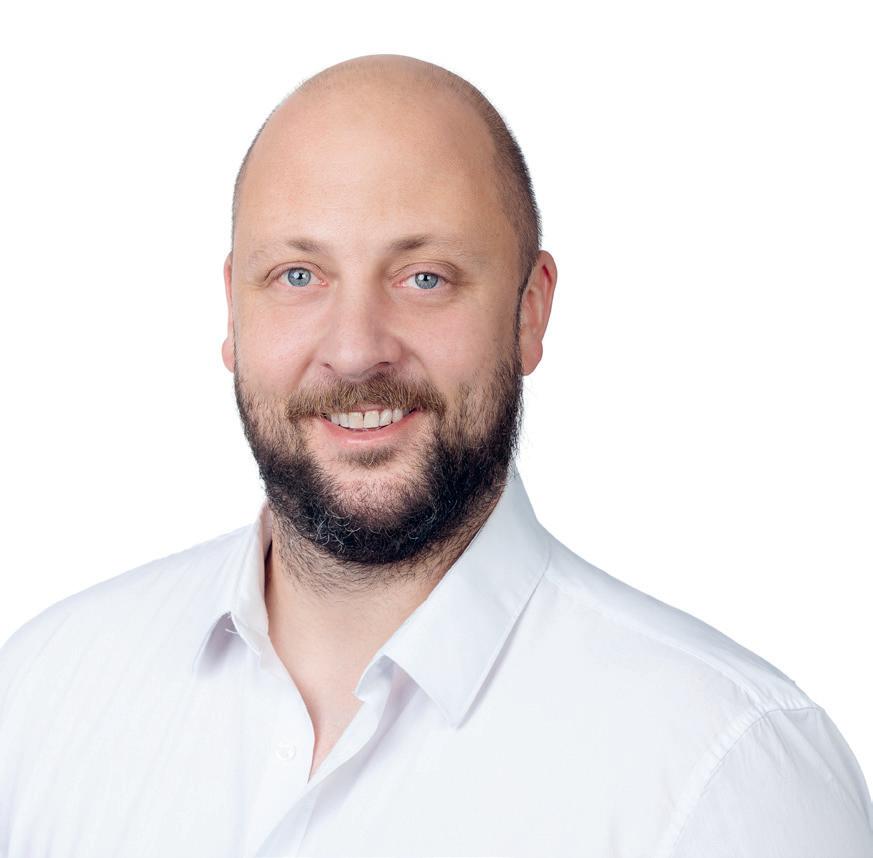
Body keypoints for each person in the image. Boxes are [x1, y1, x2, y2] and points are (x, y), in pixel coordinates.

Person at [1, 53, 871, 858]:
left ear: (529, 311)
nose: (355, 351)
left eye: (425, 277)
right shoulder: (43, 693)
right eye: (298, 276)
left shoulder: (728, 774)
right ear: (233, 311)